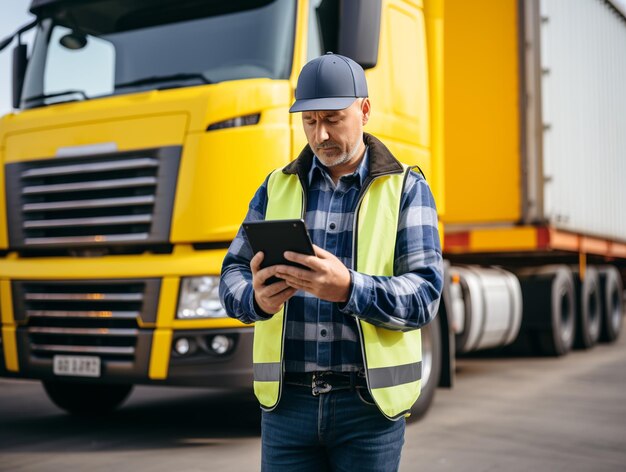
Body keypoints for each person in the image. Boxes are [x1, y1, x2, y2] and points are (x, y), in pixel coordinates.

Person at [220, 53, 443, 472]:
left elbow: (425, 295)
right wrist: (256, 299)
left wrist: (348, 288)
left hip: (368, 409)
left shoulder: (407, 188)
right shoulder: (275, 188)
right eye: (309, 121)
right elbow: (231, 272)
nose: (320, 134)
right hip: (288, 409)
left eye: (333, 119)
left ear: (365, 110)